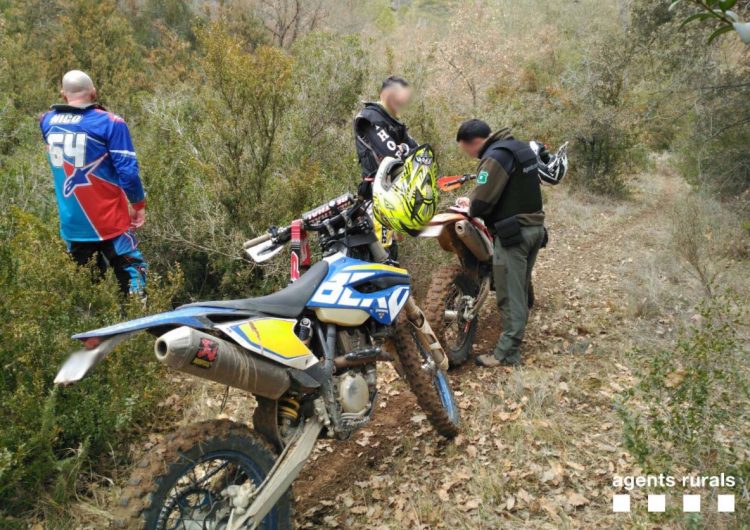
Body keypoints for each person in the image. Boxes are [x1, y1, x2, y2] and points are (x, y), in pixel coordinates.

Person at [40, 70, 147, 296]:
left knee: (88, 293)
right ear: (94, 92)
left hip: (73, 225)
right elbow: (127, 173)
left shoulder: (47, 121)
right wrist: (138, 206)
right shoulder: (111, 123)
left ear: (63, 95)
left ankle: (92, 328)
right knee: (133, 274)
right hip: (111, 222)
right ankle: (138, 324)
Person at [455, 119, 545, 367]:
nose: (471, 156)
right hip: (535, 228)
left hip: (514, 234)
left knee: (509, 294)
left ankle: (506, 353)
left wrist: (469, 205)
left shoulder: (495, 157)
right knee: (520, 285)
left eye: (467, 150)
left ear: (473, 143)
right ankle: (514, 338)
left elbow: (482, 203)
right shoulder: (519, 148)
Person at [353, 76, 418, 259]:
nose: (402, 102)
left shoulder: (394, 122)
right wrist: (405, 151)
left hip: (392, 193)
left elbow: (416, 150)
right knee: (382, 252)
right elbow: (391, 155)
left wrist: (404, 148)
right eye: (399, 97)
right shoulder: (369, 118)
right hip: (376, 193)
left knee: (391, 248)